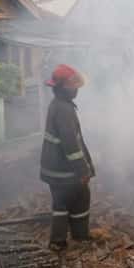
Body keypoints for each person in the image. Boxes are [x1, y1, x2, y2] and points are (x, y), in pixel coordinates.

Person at [40, 64, 95, 251]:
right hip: (63, 170)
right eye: (74, 86)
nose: (76, 90)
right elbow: (71, 145)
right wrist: (83, 170)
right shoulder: (64, 109)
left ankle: (59, 241)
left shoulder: (58, 104)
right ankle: (76, 237)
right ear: (63, 87)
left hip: (54, 168)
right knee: (79, 197)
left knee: (61, 203)